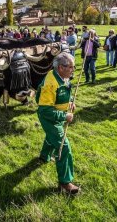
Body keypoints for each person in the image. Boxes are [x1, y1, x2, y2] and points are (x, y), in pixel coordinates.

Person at [36, 52, 79, 194]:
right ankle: (65, 183)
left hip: (57, 114)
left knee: (51, 137)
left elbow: (65, 90)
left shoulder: (63, 76)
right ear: (61, 67)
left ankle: (44, 157)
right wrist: (64, 115)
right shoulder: (50, 84)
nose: (73, 70)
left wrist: (70, 102)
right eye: (71, 67)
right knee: (63, 146)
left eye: (74, 66)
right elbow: (44, 111)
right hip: (49, 118)